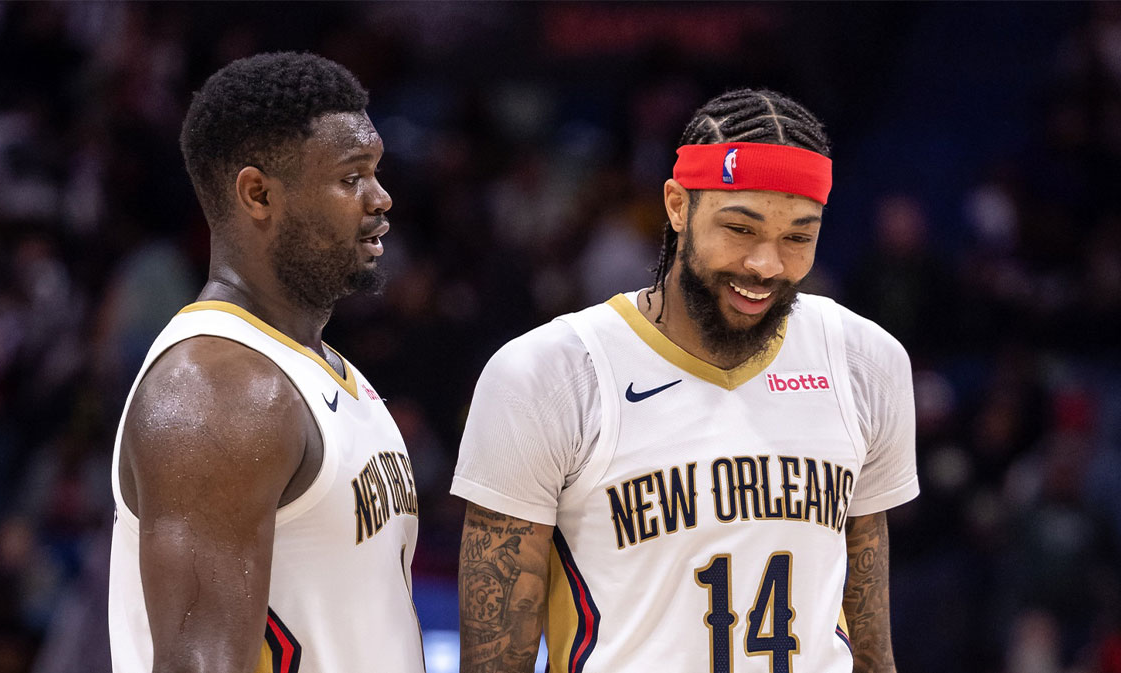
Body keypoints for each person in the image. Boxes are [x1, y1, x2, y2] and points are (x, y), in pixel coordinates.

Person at [452, 89, 918, 673]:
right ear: (677, 206)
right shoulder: (549, 374)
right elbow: (496, 660)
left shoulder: (865, 360)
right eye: (741, 229)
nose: (766, 264)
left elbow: (871, 638)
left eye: (798, 236)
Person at [108, 52, 424, 673]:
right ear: (258, 194)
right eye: (350, 177)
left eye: (376, 172)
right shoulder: (218, 393)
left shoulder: (313, 367)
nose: (381, 198)